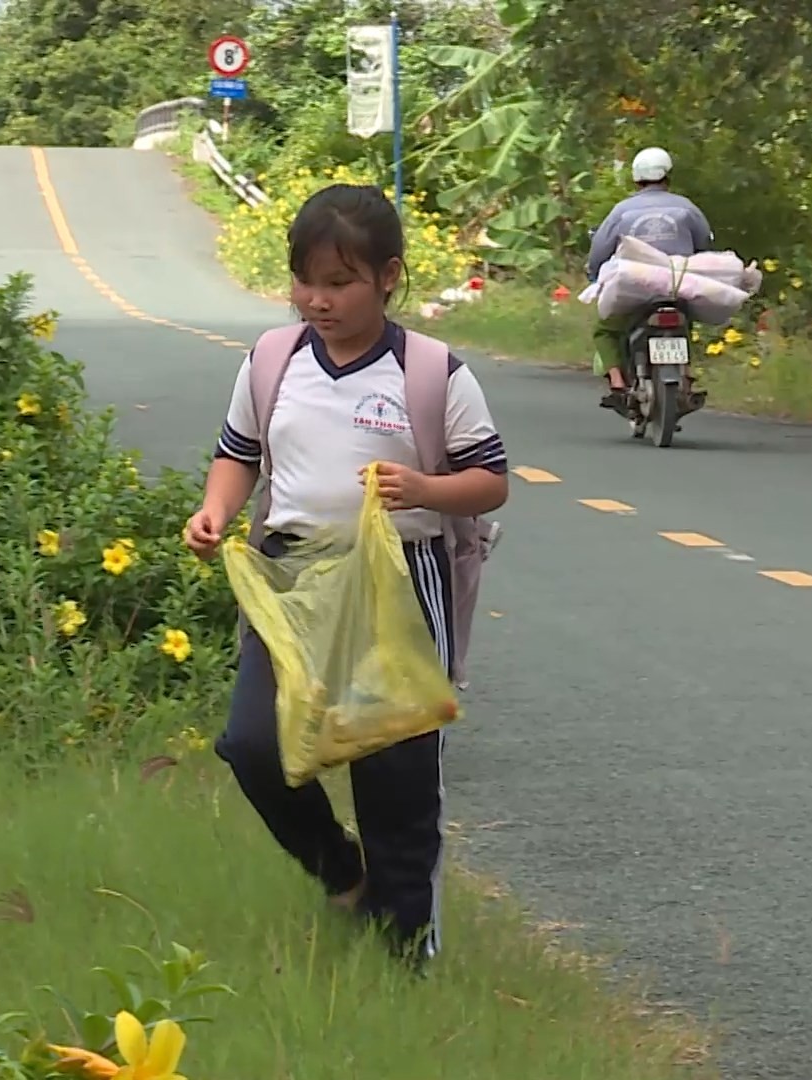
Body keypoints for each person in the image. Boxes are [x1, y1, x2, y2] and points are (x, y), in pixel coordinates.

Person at [182, 183, 510, 967]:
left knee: (395, 772)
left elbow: (490, 481)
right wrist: (215, 510)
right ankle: (340, 870)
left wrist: (425, 489)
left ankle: (404, 952)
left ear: (388, 276)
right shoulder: (273, 360)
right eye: (305, 281)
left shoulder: (431, 372)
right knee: (255, 747)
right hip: (292, 581)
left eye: (339, 282)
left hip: (398, 585)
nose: (317, 301)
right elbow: (239, 453)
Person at [585, 147, 714, 412]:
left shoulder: (622, 211)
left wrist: (595, 274)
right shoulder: (686, 208)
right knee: (685, 320)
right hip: (677, 284)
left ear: (636, 178)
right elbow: (704, 244)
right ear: (668, 175)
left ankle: (617, 384)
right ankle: (687, 376)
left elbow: (600, 249)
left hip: (636, 286)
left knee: (605, 330)